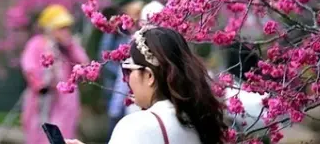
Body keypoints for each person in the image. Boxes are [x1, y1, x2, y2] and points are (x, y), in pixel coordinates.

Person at [66, 26, 226, 144]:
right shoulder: (198, 122)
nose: (127, 79)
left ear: (149, 76)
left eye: (128, 70)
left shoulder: (136, 125)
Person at [21, 4, 90, 144]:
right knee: (38, 133)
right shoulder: (37, 44)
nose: (65, 32)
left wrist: (70, 46)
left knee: (63, 134)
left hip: (65, 100)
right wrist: (39, 84)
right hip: (41, 99)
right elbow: (29, 67)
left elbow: (84, 65)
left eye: (67, 28)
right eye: (60, 28)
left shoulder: (70, 46)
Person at [100, 0, 144, 137]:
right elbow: (106, 57)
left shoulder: (140, 34)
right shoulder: (115, 33)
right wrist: (124, 71)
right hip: (117, 85)